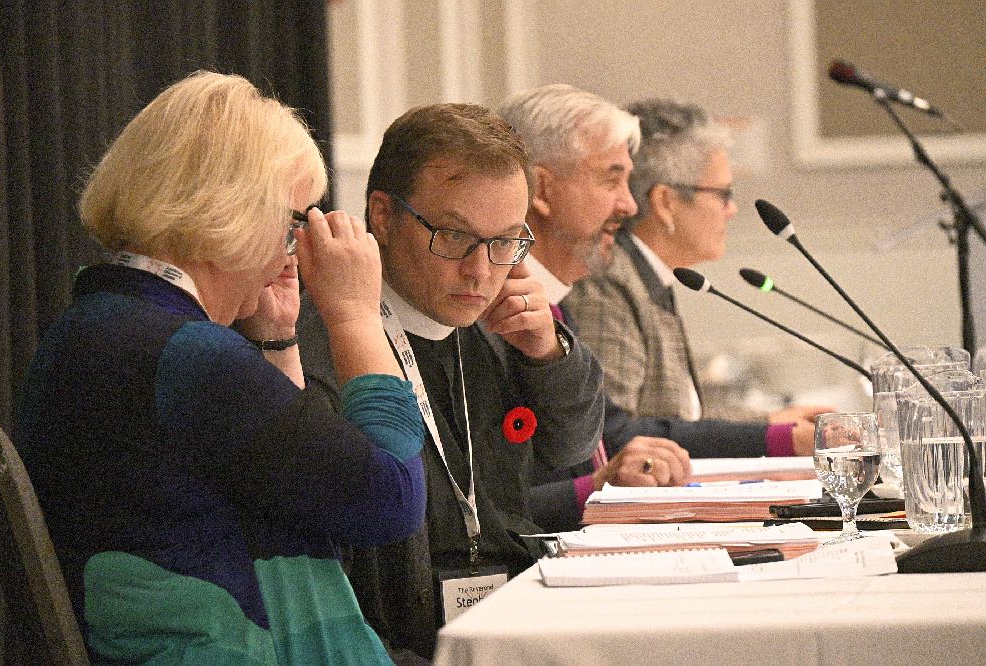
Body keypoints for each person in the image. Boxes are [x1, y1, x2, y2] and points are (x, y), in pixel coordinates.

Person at [15, 71, 426, 664]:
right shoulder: (185, 355)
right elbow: (390, 501)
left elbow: (291, 486)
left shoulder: (100, 323)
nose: (292, 250)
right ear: (233, 211)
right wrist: (356, 317)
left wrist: (280, 337)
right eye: (293, 224)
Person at [296, 102, 604, 661]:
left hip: (513, 621)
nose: (481, 270)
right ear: (383, 217)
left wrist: (549, 353)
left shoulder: (502, 327)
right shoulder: (328, 338)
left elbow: (574, 447)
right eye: (456, 237)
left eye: (506, 240)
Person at [498, 85, 826, 533]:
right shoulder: (589, 287)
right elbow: (615, 440)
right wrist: (778, 436)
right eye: (611, 179)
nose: (628, 204)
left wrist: (773, 429)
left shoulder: (558, 298)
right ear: (543, 188)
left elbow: (615, 430)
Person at [561, 97, 831, 437]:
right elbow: (616, 434)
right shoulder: (607, 281)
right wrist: (772, 438)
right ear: (665, 203)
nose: (731, 210)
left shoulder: (649, 273)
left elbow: (682, 417)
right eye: (724, 194)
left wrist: (769, 421)